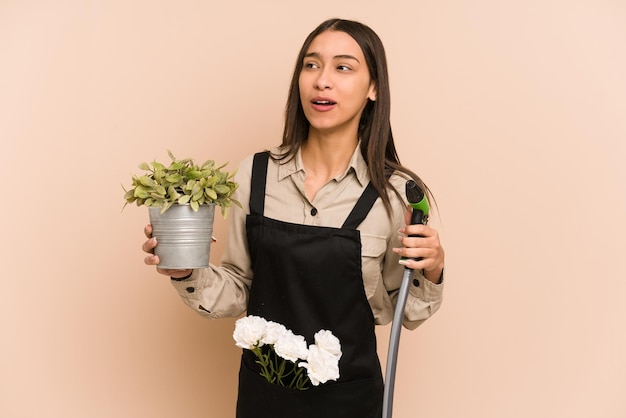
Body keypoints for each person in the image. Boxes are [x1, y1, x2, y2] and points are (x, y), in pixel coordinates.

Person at [142, 18, 444, 418]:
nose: (322, 81)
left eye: (343, 67)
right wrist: (185, 272)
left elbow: (405, 312)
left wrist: (432, 270)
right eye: (311, 64)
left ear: (373, 88)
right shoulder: (255, 174)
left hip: (350, 402)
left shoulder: (396, 194)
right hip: (264, 399)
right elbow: (240, 287)